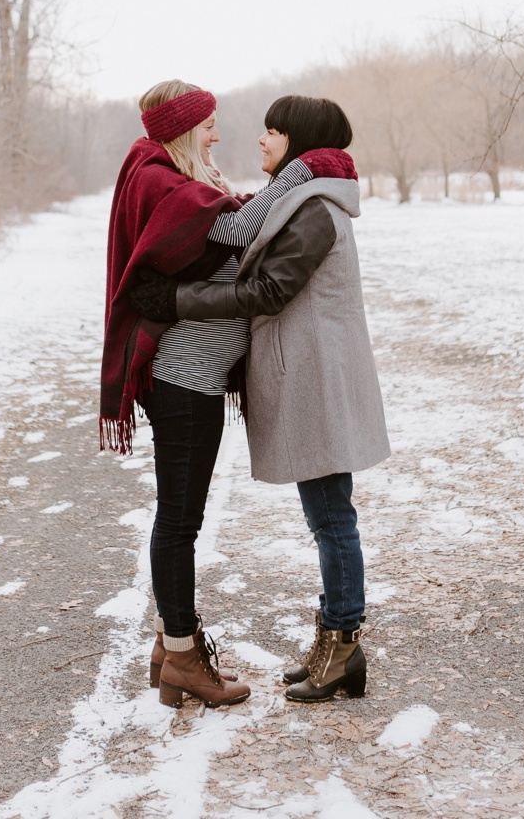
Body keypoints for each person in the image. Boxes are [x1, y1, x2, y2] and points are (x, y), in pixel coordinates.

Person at [132, 95, 390, 704]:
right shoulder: (302, 200)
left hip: (318, 382)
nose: (260, 141)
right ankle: (331, 642)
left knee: (332, 518)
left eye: (273, 132)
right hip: (305, 377)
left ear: (296, 142)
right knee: (326, 516)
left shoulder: (315, 208)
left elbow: (270, 289)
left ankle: (343, 644)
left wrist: (176, 301)